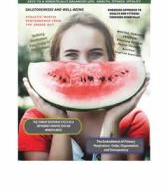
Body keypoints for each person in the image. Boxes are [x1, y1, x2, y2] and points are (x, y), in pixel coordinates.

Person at [18, 12, 150, 160]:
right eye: (71, 55)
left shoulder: (134, 121)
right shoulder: (34, 121)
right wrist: (60, 122)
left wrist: (112, 120)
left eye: (95, 54)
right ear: (55, 61)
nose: (84, 65)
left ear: (111, 59)